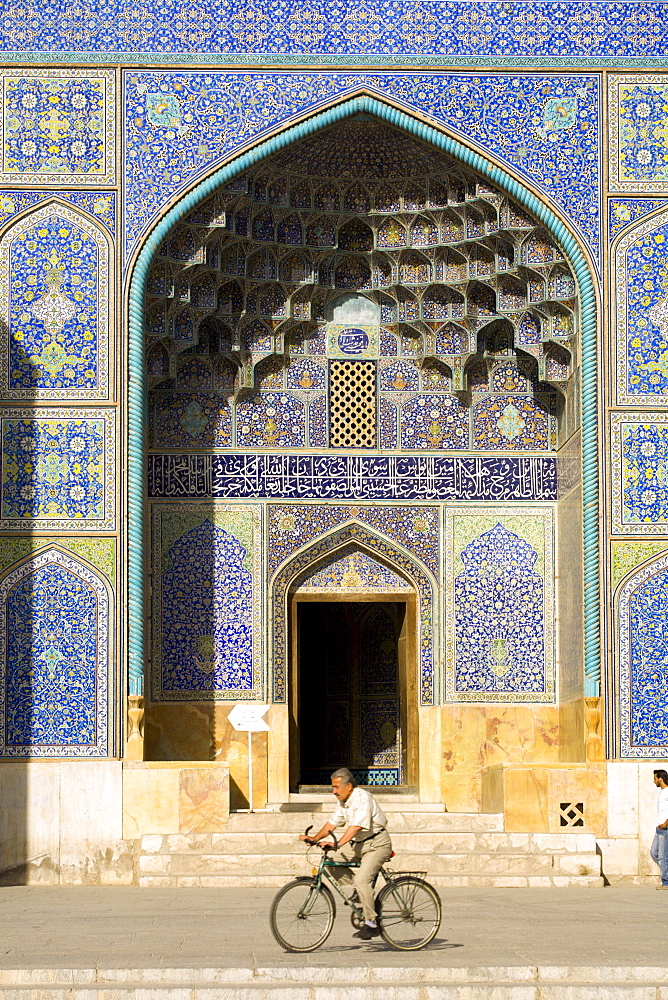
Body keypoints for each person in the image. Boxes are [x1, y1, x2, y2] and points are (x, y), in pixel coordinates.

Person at [299, 767, 393, 940]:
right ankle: (360, 891)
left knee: (362, 879)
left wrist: (337, 843)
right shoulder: (343, 802)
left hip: (377, 844)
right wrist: (314, 838)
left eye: (336, 787)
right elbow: (332, 824)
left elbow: (356, 826)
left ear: (348, 786)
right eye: (332, 787)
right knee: (331, 861)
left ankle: (372, 923)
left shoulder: (363, 798)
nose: (334, 791)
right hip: (357, 843)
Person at [651, 769, 668, 889]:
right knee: (654, 853)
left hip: (664, 828)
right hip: (659, 828)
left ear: (660, 779)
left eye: (655, 779)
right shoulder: (662, 792)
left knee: (663, 855)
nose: (654, 781)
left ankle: (666, 882)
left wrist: (666, 823)